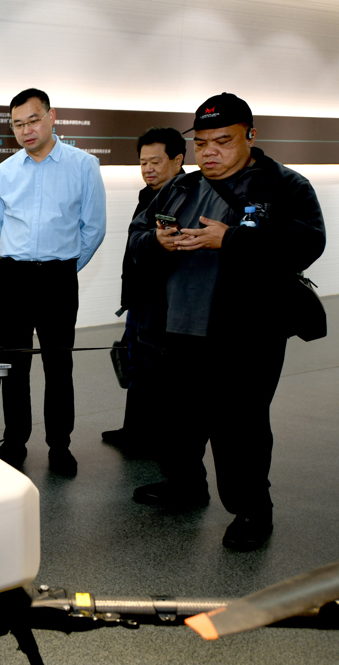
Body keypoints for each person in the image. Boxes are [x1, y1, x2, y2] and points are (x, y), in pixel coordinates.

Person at [128, 92, 326, 551]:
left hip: (245, 336)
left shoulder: (285, 187)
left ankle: (253, 510)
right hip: (174, 331)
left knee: (241, 428)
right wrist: (157, 242)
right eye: (202, 143)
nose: (210, 152)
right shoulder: (178, 187)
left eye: (223, 141)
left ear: (250, 137)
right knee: (177, 422)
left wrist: (231, 240)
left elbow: (306, 245)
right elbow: (137, 237)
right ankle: (187, 486)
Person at [0, 88, 107, 477]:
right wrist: (22, 259)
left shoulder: (83, 165)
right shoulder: (5, 171)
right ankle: (15, 440)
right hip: (12, 277)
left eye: (33, 119)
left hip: (58, 277)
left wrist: (63, 269)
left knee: (59, 365)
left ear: (52, 116)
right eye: (18, 124)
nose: (26, 129)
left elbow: (93, 228)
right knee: (13, 365)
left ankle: (60, 446)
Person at [102, 128, 185, 452]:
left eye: (155, 161)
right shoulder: (147, 195)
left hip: (165, 306)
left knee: (161, 376)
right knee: (137, 367)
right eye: (143, 162)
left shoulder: (187, 196)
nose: (148, 168)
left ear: (177, 160)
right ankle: (134, 430)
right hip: (140, 300)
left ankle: (165, 446)